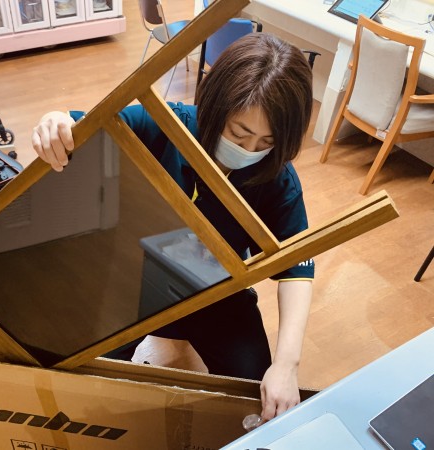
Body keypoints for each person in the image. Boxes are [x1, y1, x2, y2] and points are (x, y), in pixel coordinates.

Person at [31, 33, 315, 421]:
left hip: (216, 288)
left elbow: (296, 269)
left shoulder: (278, 176)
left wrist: (287, 364)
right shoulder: (167, 125)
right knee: (81, 378)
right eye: (238, 133)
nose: (249, 150)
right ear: (214, 108)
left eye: (266, 141)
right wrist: (56, 122)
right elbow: (84, 128)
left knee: (254, 390)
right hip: (133, 276)